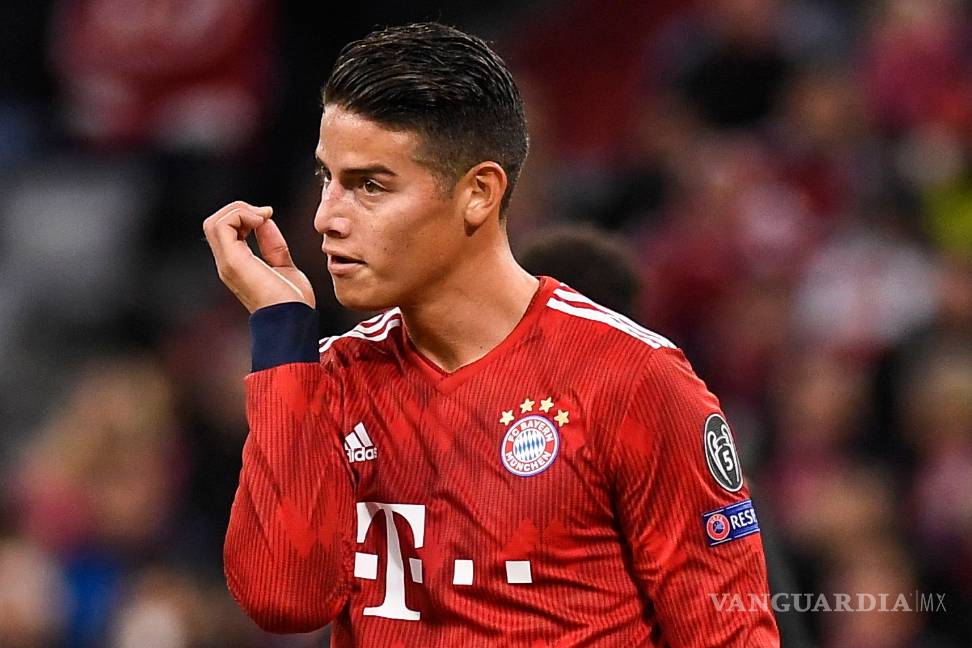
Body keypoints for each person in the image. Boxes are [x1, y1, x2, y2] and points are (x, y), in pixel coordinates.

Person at [203, 22, 780, 647]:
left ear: (478, 193)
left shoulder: (633, 379)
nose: (325, 218)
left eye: (370, 185)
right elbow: (284, 600)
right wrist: (282, 331)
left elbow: (731, 636)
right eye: (327, 179)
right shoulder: (328, 378)